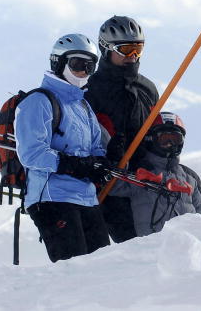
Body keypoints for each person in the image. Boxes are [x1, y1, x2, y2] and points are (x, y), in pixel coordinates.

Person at [15, 33, 111, 263]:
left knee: (103, 268)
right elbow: (31, 153)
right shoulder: (38, 101)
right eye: (77, 64)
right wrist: (71, 164)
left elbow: (95, 146)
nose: (83, 72)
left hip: (86, 198)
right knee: (73, 273)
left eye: (90, 66)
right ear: (58, 62)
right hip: (53, 198)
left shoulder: (83, 105)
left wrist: (99, 164)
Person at [85, 15, 159, 243]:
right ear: (106, 48)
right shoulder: (91, 89)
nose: (133, 57)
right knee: (127, 248)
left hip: (145, 182)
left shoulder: (147, 88)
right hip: (109, 185)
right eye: (126, 50)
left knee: (153, 246)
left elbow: (155, 129)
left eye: (138, 49)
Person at [110, 111, 201, 236]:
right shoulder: (138, 172)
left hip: (188, 247)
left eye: (175, 139)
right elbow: (113, 187)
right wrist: (115, 159)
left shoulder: (190, 177)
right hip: (155, 249)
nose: (170, 144)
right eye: (164, 139)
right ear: (151, 139)